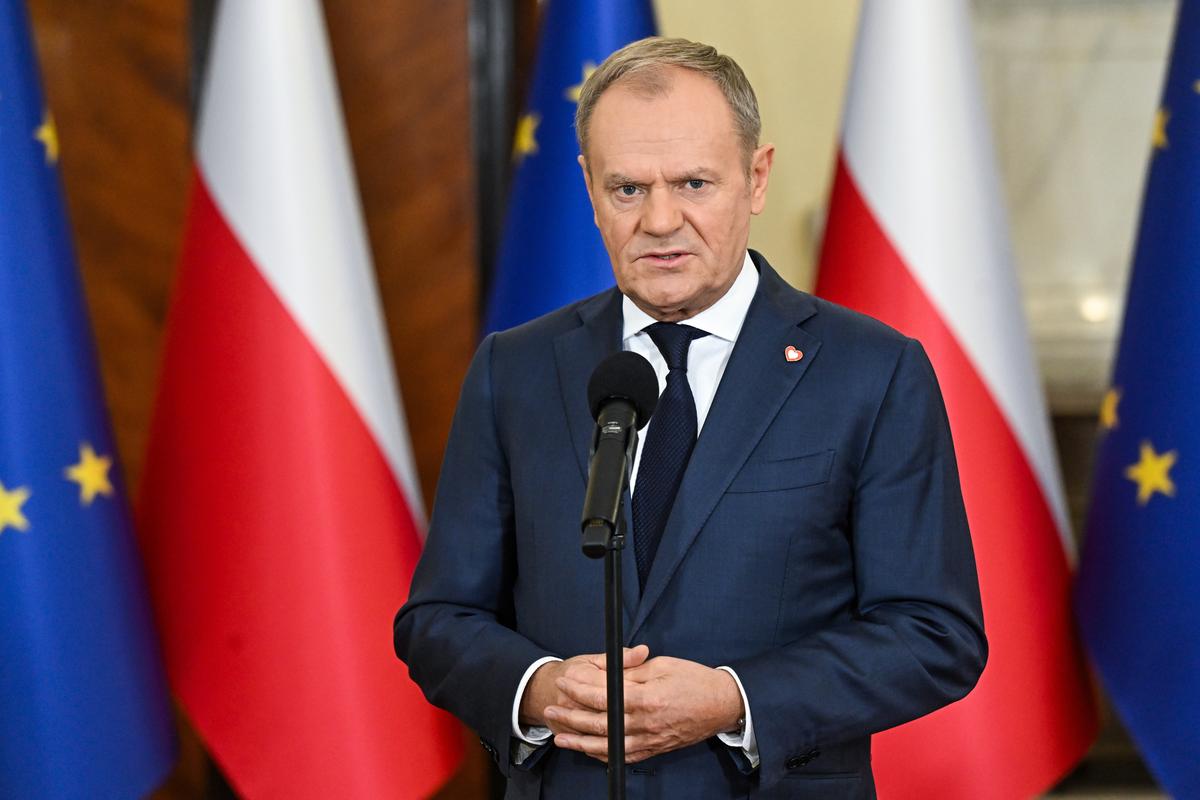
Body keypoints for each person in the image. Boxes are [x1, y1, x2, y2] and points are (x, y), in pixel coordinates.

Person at [394, 36, 985, 799]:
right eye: (628, 189)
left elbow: (934, 635)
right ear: (589, 189)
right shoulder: (516, 369)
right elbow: (438, 619)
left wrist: (733, 700)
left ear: (756, 177)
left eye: (694, 183)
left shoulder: (871, 371)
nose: (661, 220)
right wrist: (540, 688)